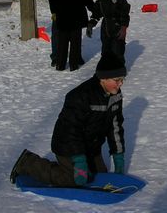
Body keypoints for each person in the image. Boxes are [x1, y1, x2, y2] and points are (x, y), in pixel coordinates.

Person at [10, 53, 127, 187]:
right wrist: (79, 160)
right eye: (117, 80)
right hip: (67, 146)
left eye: (122, 79)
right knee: (73, 180)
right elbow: (71, 130)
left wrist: (118, 156)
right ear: (103, 78)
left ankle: (78, 164)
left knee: (97, 177)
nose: (120, 84)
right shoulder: (80, 97)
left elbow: (115, 127)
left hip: (91, 147)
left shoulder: (115, 96)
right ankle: (28, 163)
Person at [87, 0, 131, 64]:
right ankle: (107, 71)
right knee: (105, 50)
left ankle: (119, 72)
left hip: (117, 28)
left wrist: (123, 28)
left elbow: (125, 15)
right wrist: (90, 25)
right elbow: (96, 13)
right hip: (105, 27)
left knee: (117, 50)